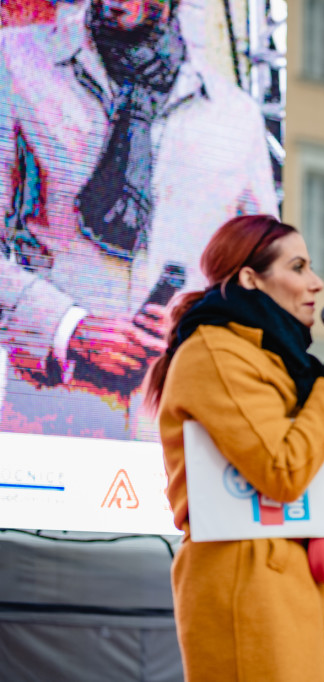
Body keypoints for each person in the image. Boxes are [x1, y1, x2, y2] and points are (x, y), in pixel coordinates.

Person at [146, 214, 324, 681]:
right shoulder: (214, 353)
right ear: (250, 278)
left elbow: (310, 465)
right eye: (298, 267)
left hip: (281, 571)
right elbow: (283, 471)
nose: (315, 283)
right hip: (243, 578)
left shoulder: (263, 354)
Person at [0, 0, 276, 439]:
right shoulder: (15, 65)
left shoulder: (234, 116)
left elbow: (267, 281)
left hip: (181, 436)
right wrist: (70, 328)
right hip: (51, 428)